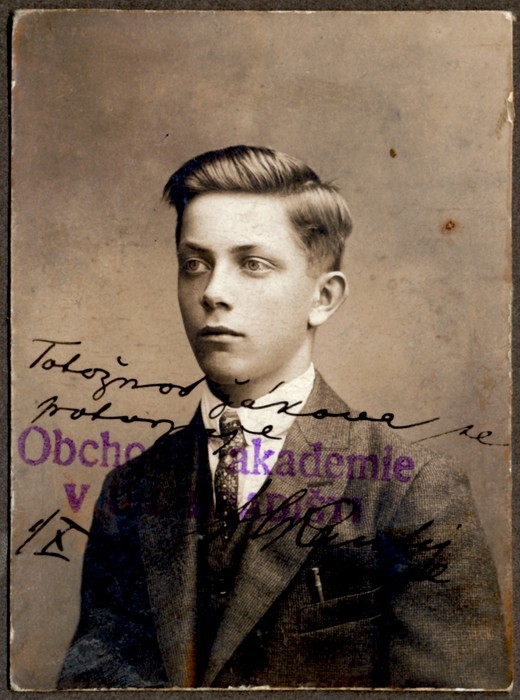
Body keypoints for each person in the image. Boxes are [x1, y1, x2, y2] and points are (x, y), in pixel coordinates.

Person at [58, 145, 509, 689]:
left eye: (253, 264)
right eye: (194, 264)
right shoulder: (132, 489)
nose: (213, 292)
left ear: (323, 298)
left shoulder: (413, 489)